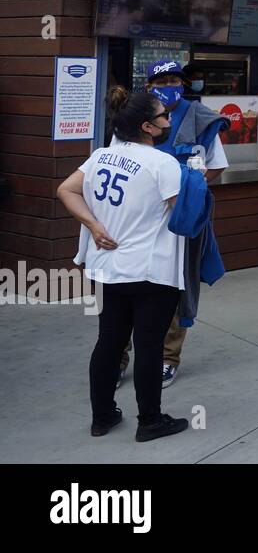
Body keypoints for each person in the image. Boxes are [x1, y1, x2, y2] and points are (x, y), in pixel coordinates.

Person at [59, 90, 191, 441]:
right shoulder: (163, 164)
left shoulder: (100, 156)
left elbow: (66, 190)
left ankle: (102, 417)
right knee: (149, 344)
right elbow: (186, 215)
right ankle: (150, 421)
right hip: (151, 270)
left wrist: (94, 225)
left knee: (109, 341)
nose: (168, 119)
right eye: (163, 115)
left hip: (106, 266)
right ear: (147, 126)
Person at [118, 59, 228, 391]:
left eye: (175, 79)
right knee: (127, 287)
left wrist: (187, 196)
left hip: (179, 219)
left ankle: (168, 358)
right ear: (148, 85)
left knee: (177, 287)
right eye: (162, 80)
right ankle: (118, 359)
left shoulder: (201, 120)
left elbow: (216, 167)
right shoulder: (133, 117)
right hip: (137, 218)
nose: (170, 85)